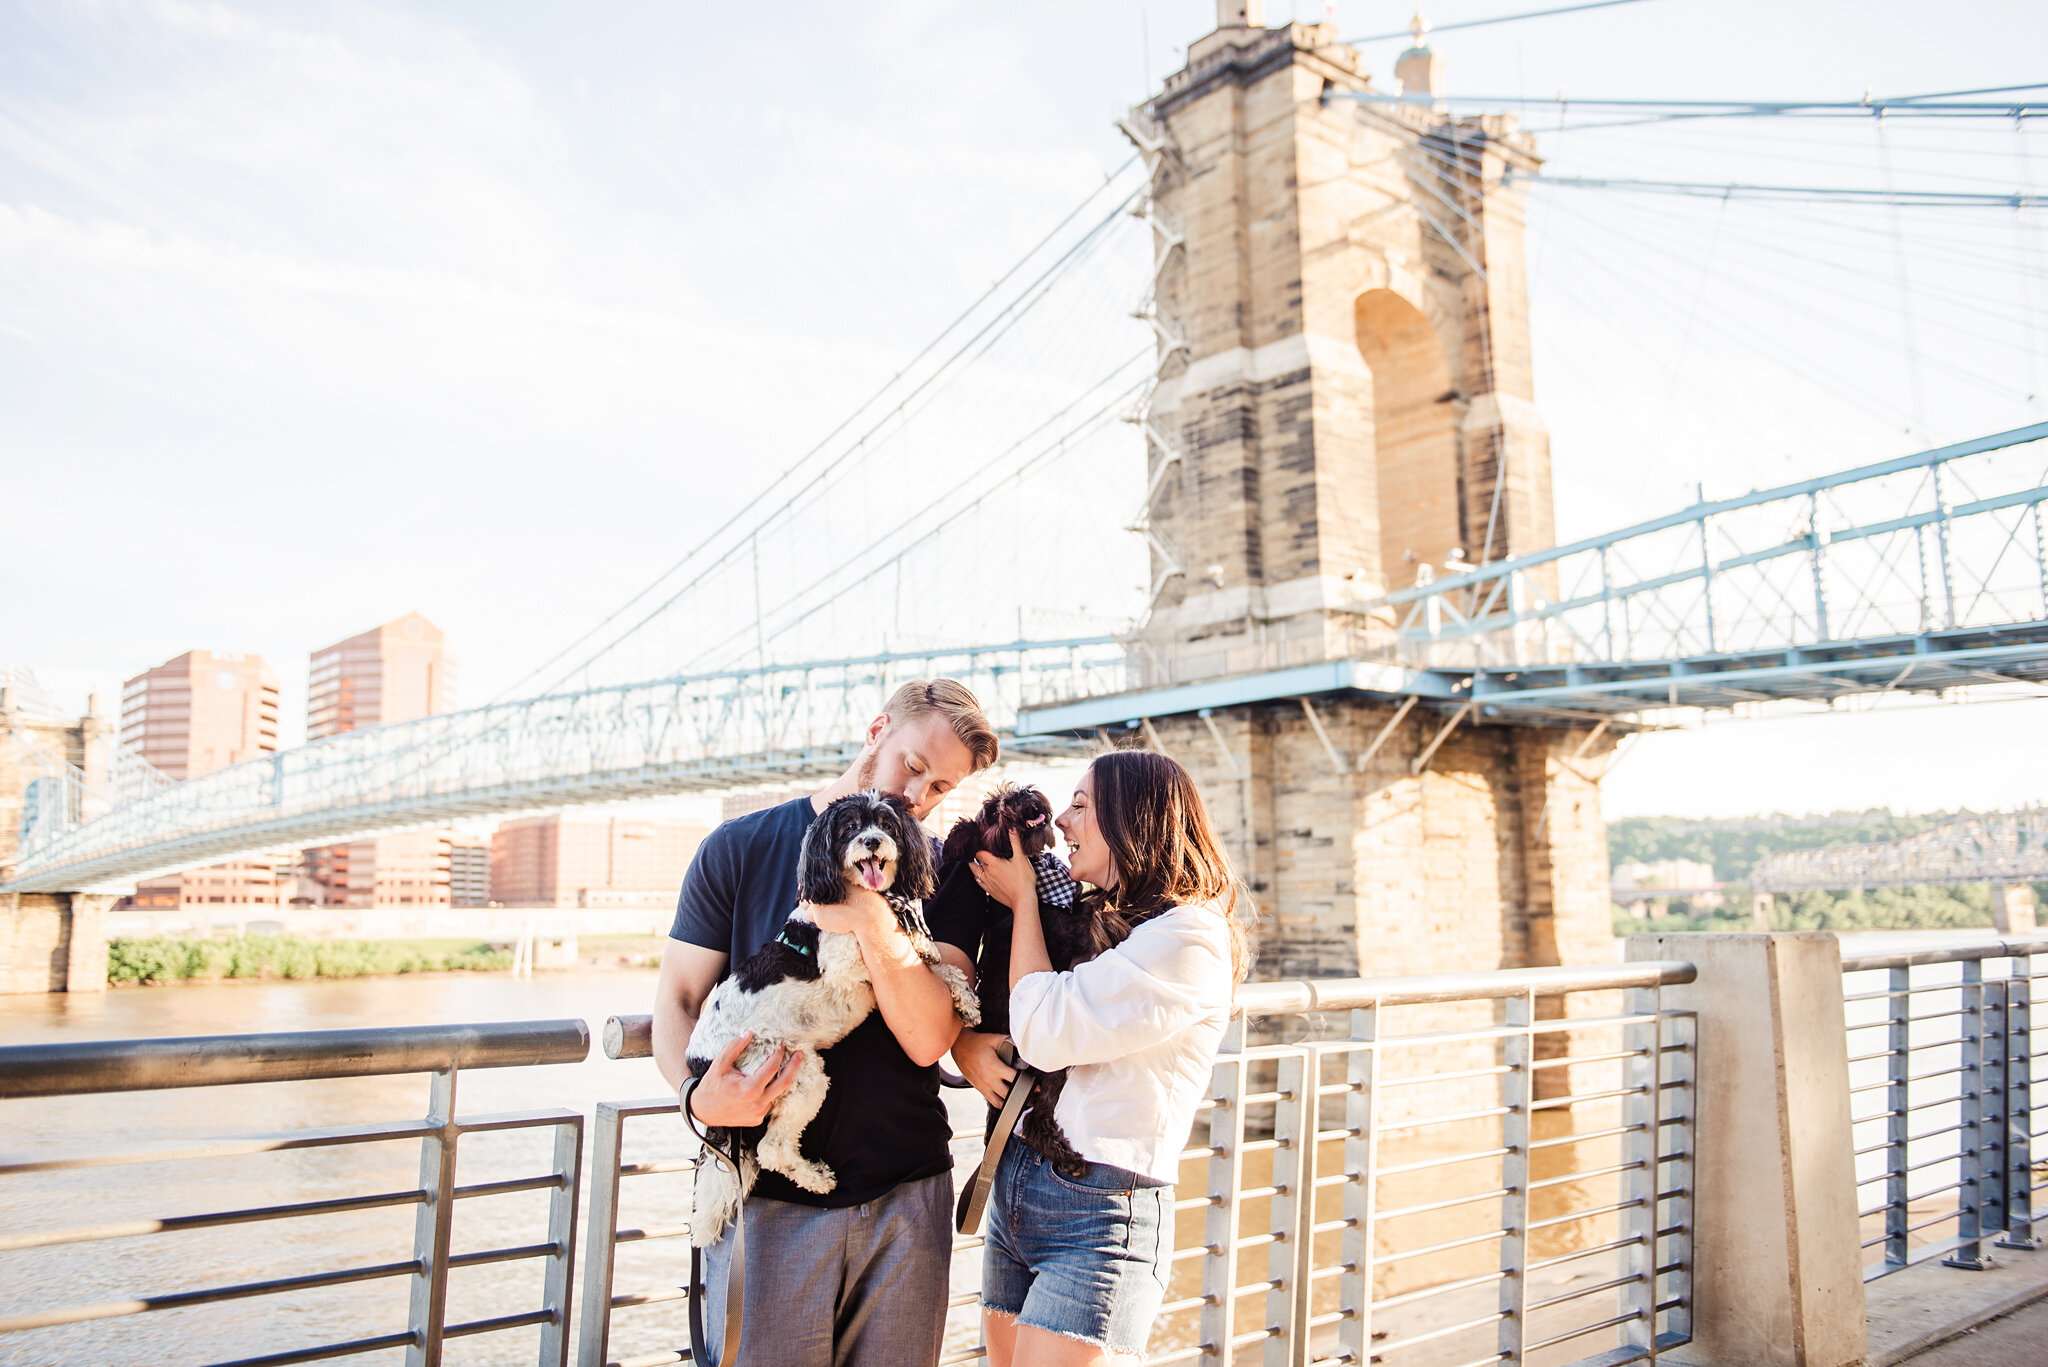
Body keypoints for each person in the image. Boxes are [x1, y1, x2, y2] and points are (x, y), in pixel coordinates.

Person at [651, 678, 1001, 1367]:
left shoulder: (941, 870)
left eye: (940, 788)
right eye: (914, 765)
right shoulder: (740, 846)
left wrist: (872, 918)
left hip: (908, 1194)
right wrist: (696, 1096)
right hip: (766, 1199)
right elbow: (679, 1000)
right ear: (877, 731)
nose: (919, 795)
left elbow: (930, 1036)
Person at [963, 750, 1251, 1367]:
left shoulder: (1189, 936)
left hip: (1098, 1213)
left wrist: (1023, 904)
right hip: (1020, 1181)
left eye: (1081, 807)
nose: (1062, 823)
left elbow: (1040, 1028)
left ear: (1134, 819)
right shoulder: (1105, 918)